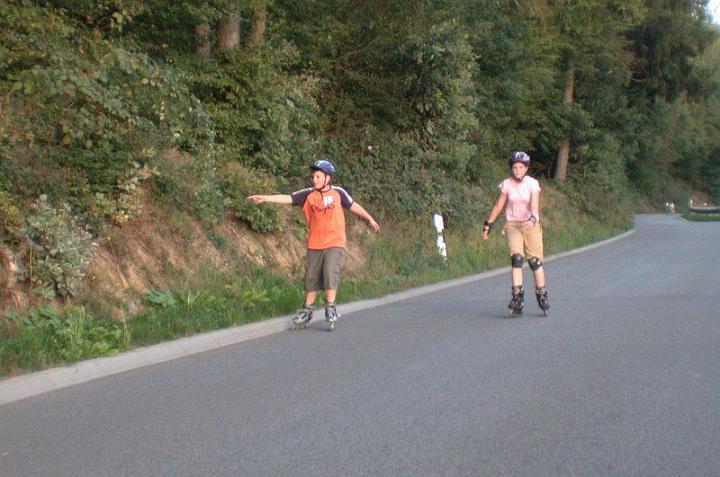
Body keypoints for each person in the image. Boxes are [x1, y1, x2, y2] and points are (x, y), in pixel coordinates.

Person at [247, 158, 380, 330]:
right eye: (313, 176)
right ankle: (308, 310)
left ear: (327, 178)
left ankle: (330, 307)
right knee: (311, 277)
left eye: (318, 176)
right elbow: (288, 198)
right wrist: (265, 198)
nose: (314, 179)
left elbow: (353, 206)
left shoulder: (338, 193)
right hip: (315, 243)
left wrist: (369, 218)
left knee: (330, 272)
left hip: (335, 241)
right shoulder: (308, 195)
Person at [482, 151, 550, 316]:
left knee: (534, 262)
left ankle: (542, 294)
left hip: (530, 224)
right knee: (517, 259)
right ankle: (517, 297)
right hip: (513, 225)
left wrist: (533, 217)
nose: (517, 170)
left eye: (521, 167)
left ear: (526, 168)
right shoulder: (507, 184)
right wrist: (489, 224)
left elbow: (534, 204)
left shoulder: (532, 184)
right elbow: (499, 205)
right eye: (515, 167)